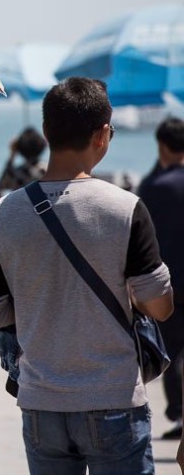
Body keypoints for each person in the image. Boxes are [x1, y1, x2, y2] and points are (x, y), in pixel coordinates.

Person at [0, 77, 174, 474]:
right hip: (114, 397)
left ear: (47, 132)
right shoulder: (126, 208)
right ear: (102, 135)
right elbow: (160, 308)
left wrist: (33, 297)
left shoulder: (0, 214)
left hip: (42, 402)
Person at [137, 116, 184, 441]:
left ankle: (179, 414)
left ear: (162, 146)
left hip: (171, 284)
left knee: (169, 351)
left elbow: (141, 238)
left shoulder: (155, 187)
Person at [0, 126, 47, 193]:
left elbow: (1, 186)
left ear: (18, 148)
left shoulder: (15, 174)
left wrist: (12, 154)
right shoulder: (47, 170)